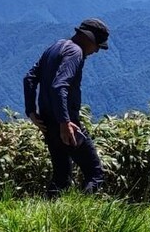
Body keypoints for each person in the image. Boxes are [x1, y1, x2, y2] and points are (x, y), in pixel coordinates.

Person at [24, 18, 111, 196]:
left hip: (47, 122)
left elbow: (29, 78)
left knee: (61, 177)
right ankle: (83, 210)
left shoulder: (56, 46)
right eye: (97, 45)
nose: (96, 51)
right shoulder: (75, 52)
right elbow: (59, 86)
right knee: (95, 174)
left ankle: (50, 211)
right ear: (89, 38)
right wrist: (65, 123)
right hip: (66, 125)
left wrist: (31, 111)